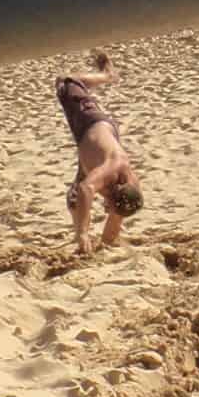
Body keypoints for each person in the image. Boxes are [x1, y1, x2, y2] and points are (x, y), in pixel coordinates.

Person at [55, 51, 143, 253]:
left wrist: (104, 246)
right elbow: (88, 188)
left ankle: (78, 241)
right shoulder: (111, 169)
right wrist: (85, 233)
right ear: (114, 193)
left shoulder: (128, 195)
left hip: (90, 151)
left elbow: (112, 230)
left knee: (75, 198)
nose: (107, 209)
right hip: (91, 122)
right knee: (65, 82)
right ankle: (108, 76)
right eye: (108, 206)